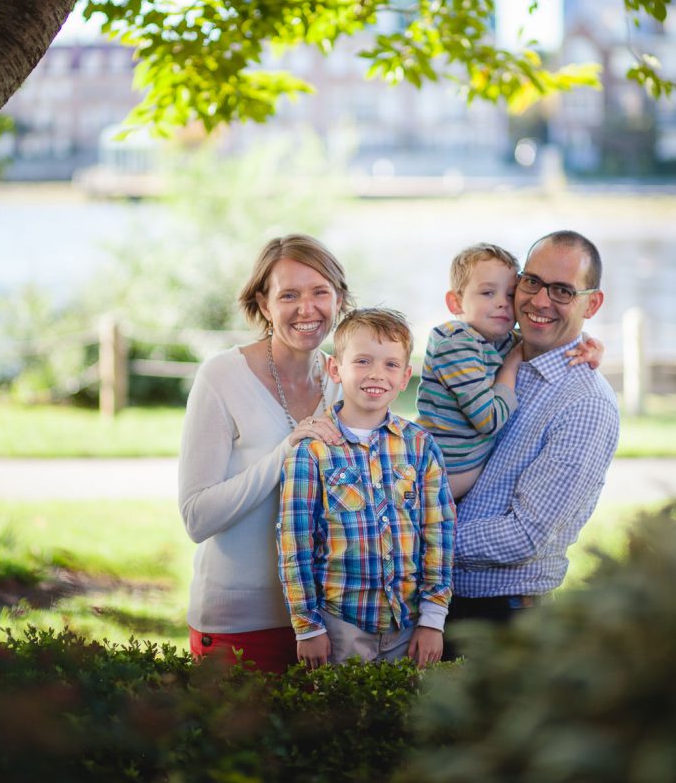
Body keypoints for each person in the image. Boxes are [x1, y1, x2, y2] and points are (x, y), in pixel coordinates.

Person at [178, 234, 352, 674]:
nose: (306, 308)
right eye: (289, 294)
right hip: (241, 622)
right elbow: (197, 519)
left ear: (340, 298)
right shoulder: (222, 376)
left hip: (328, 623)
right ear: (263, 302)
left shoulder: (345, 381)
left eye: (320, 292)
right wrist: (284, 454)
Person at [447, 230, 620, 640]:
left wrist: (414, 539)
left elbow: (525, 535)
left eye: (563, 291)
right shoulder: (496, 353)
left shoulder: (585, 404)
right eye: (533, 281)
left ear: (591, 303)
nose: (540, 301)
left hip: (499, 622)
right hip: (437, 604)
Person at [277, 308, 455, 670]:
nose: (377, 374)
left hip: (409, 622)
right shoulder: (312, 451)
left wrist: (433, 619)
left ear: (406, 376)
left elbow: (440, 533)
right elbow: (295, 543)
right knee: (343, 719)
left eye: (391, 364)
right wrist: (307, 628)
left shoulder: (420, 446)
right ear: (335, 369)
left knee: (404, 720)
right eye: (362, 361)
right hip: (340, 623)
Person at [417, 243, 602, 499]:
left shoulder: (498, 340)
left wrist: (588, 345)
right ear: (456, 302)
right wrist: (511, 364)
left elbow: (551, 339)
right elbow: (488, 419)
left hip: (451, 491)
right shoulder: (455, 345)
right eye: (488, 293)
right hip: (428, 484)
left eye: (510, 294)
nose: (503, 304)